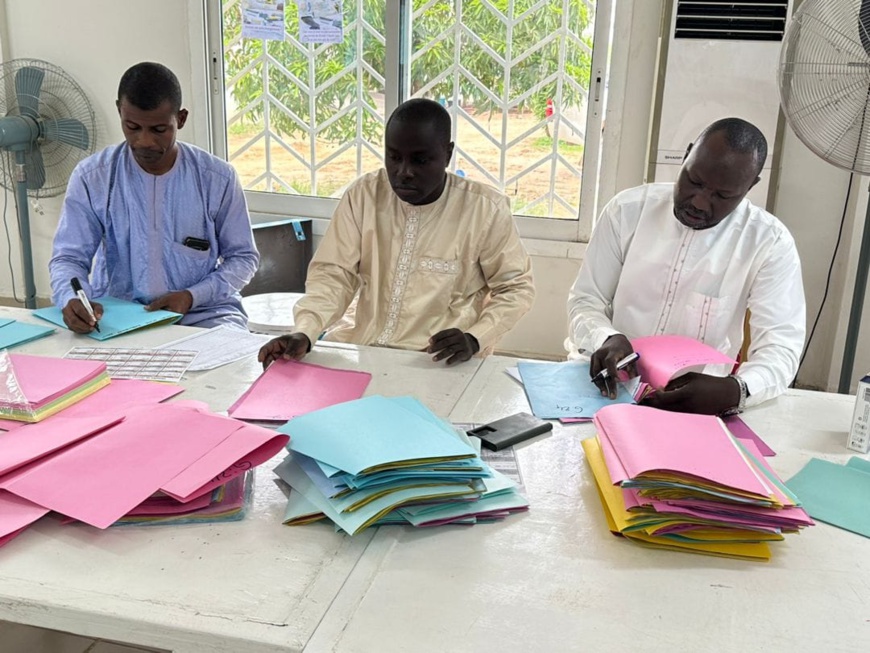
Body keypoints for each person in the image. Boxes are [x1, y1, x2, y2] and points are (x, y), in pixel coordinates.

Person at [259, 98, 535, 368]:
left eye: (420, 160)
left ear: (447, 154)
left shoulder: (484, 209)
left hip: (441, 362)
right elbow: (334, 274)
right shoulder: (364, 195)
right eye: (394, 157)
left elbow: (516, 287)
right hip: (364, 349)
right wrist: (306, 331)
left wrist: (475, 338)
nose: (404, 172)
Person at [567, 117, 806, 415]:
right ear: (687, 155)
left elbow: (781, 347)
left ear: (750, 186)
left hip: (698, 403)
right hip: (604, 387)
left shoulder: (769, 243)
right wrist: (605, 336)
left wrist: (737, 390)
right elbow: (585, 300)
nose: (700, 203)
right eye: (694, 181)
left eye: (722, 195)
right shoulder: (626, 211)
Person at [49, 62, 259, 331]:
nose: (144, 141)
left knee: (225, 367)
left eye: (159, 130)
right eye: (132, 127)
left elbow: (243, 258)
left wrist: (192, 296)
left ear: (180, 119)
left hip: (205, 314)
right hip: (116, 315)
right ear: (119, 112)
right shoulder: (93, 177)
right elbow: (68, 258)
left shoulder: (217, 178)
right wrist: (71, 298)